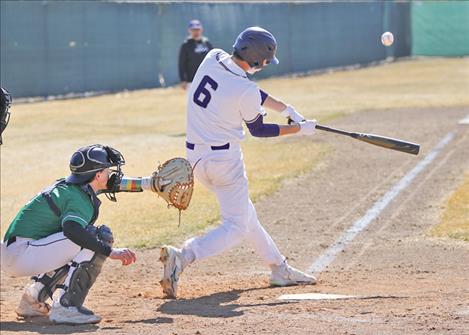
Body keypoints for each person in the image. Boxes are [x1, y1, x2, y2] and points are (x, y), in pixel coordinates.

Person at [159, 27, 317, 299]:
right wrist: (298, 130)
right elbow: (259, 130)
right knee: (237, 226)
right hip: (224, 162)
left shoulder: (213, 56)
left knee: (245, 215)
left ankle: (279, 268)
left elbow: (253, 92)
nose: (266, 66)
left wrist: (287, 109)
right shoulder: (245, 90)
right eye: (265, 61)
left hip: (195, 159)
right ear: (256, 59)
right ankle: (183, 257)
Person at [1, 144, 137, 324]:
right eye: (107, 170)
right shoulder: (78, 198)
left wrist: (151, 183)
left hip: (19, 251)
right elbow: (72, 230)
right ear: (97, 175)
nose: (111, 174)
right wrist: (110, 252)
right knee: (94, 237)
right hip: (22, 254)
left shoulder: (72, 188)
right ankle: (67, 307)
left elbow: (116, 185)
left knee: (83, 241)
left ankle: (32, 299)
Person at [178, 19, 213, 91]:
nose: (196, 32)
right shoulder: (186, 44)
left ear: (201, 30)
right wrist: (183, 80)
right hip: (191, 80)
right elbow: (181, 63)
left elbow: (213, 60)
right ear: (189, 30)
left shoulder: (206, 43)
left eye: (197, 29)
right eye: (193, 30)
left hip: (207, 78)